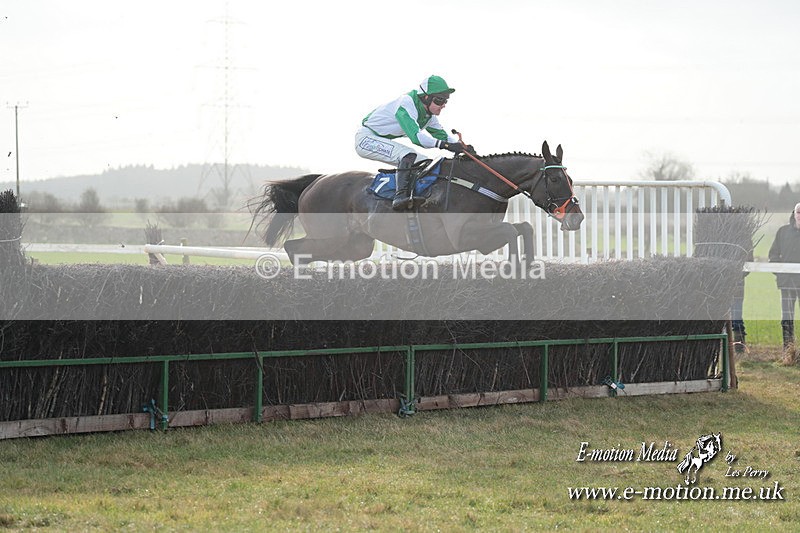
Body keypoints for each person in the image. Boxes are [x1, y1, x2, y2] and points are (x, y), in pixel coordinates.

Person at [355, 75, 474, 210]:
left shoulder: (429, 116)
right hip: (365, 139)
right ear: (426, 97)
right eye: (439, 100)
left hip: (381, 138)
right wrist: (446, 146)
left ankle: (413, 197)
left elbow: (443, 136)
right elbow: (417, 137)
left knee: (426, 164)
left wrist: (464, 149)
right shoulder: (406, 103)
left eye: (445, 100)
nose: (443, 105)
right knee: (408, 155)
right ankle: (400, 197)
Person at [768, 202, 800, 364]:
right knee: (787, 318)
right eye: (799, 212)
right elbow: (773, 255)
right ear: (794, 213)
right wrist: (780, 273)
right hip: (787, 283)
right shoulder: (782, 232)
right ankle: (788, 353)